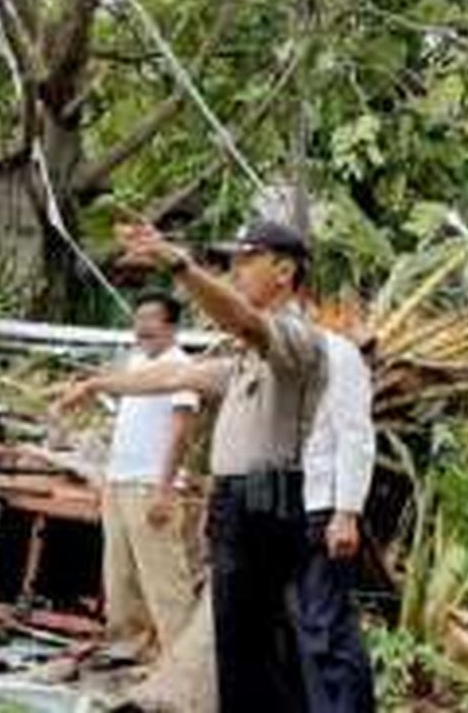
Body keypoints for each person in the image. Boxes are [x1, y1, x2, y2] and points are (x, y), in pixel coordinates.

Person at [57, 219, 326, 713]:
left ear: (285, 270)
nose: (235, 272)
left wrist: (177, 263)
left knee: (261, 638)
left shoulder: (296, 341)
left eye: (247, 261)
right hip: (240, 505)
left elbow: (242, 320)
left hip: (269, 503)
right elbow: (175, 375)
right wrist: (96, 384)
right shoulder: (247, 358)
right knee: (240, 641)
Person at [98, 289, 199, 661]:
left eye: (150, 320)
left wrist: (165, 489)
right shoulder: (134, 364)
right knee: (120, 576)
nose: (141, 328)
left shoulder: (182, 368)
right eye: (137, 319)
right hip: (119, 482)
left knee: (164, 578)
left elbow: (181, 431)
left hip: (150, 485)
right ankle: (134, 651)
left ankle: (181, 661)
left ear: (171, 326)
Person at [296, 329, 377, 713]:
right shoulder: (264, 352)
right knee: (304, 630)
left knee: (326, 629)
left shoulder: (336, 354)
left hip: (324, 506)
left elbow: (355, 433)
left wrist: (346, 512)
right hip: (289, 508)